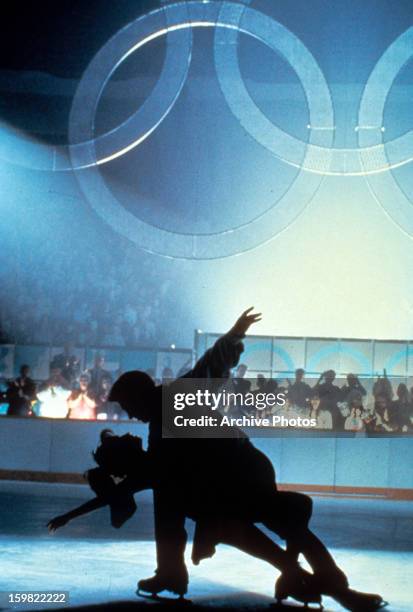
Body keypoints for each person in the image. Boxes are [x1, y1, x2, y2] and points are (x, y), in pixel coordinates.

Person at [47, 430, 384, 610]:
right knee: (290, 525)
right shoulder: (155, 464)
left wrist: (69, 515)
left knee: (290, 524)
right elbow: (109, 496)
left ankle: (314, 580)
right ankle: (320, 582)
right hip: (227, 513)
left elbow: (110, 496)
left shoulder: (156, 464)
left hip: (228, 510)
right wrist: (69, 515)